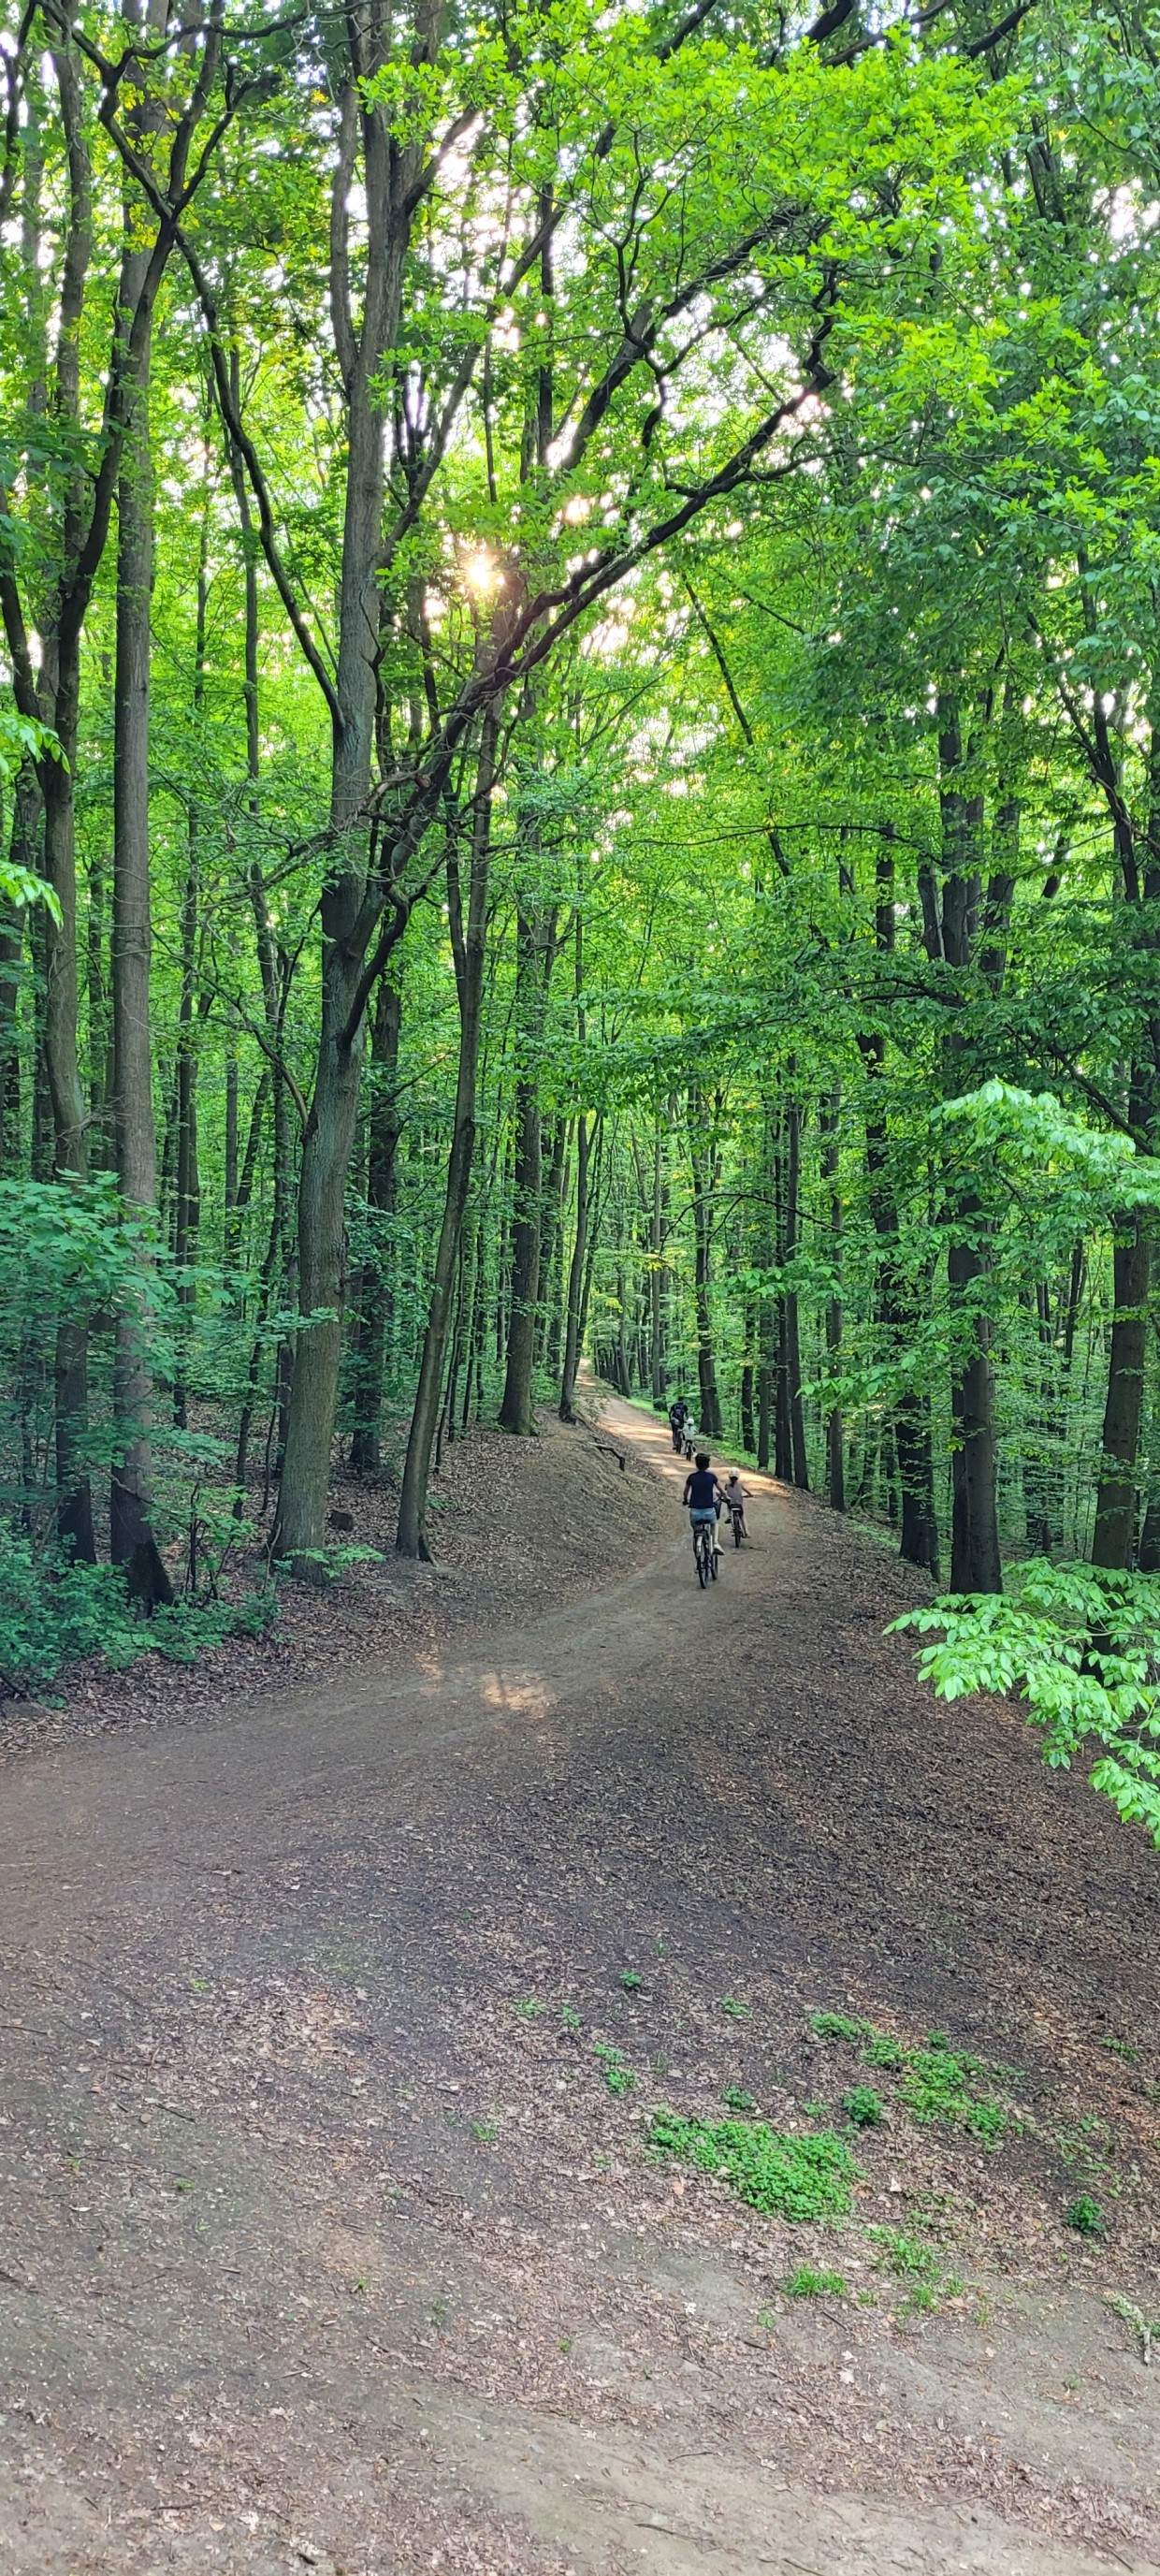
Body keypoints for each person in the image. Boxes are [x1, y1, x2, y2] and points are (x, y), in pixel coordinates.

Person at [683, 1451, 725, 1564]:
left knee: (696, 1531)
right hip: (709, 1511)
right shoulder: (712, 1477)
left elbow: (686, 1492)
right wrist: (725, 1497)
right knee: (714, 1523)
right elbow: (722, 1491)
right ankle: (715, 1543)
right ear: (708, 1464)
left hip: (695, 1512)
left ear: (696, 1464)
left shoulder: (692, 1477)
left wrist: (685, 1500)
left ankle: (698, 1549)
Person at [722, 1469, 748, 1540]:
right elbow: (747, 1491)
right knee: (742, 1516)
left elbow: (725, 1489)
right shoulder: (740, 1483)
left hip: (731, 1504)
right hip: (739, 1504)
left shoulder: (727, 1484)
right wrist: (749, 1495)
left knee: (728, 1503)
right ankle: (746, 1532)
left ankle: (730, 1515)